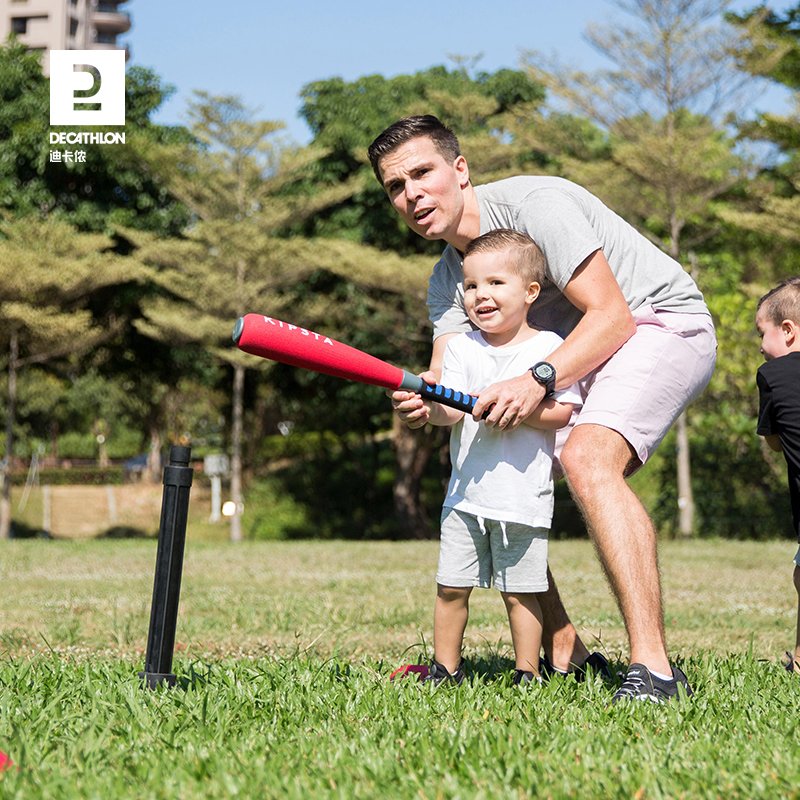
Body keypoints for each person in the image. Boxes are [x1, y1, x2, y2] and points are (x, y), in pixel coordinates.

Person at [368, 115, 717, 702]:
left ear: (460, 170)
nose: (412, 195)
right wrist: (426, 400)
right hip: (570, 359)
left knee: (587, 459)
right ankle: (565, 649)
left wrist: (539, 377)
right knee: (495, 472)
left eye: (422, 173)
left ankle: (654, 669)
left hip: (658, 324)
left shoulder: (537, 204)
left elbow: (612, 316)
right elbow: (450, 376)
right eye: (395, 188)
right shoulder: (446, 279)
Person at [409, 228, 580, 685]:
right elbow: (449, 410)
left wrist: (518, 409)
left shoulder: (549, 348)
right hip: (465, 497)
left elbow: (562, 411)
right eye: (470, 286)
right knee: (450, 588)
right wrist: (425, 405)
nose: (480, 295)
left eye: (495, 283)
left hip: (521, 498)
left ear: (530, 292)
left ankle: (528, 673)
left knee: (521, 593)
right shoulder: (462, 348)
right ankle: (445, 670)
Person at [755, 277, 800, 676]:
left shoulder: (773, 374)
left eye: (762, 333)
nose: (760, 345)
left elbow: (773, 442)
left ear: (787, 331)